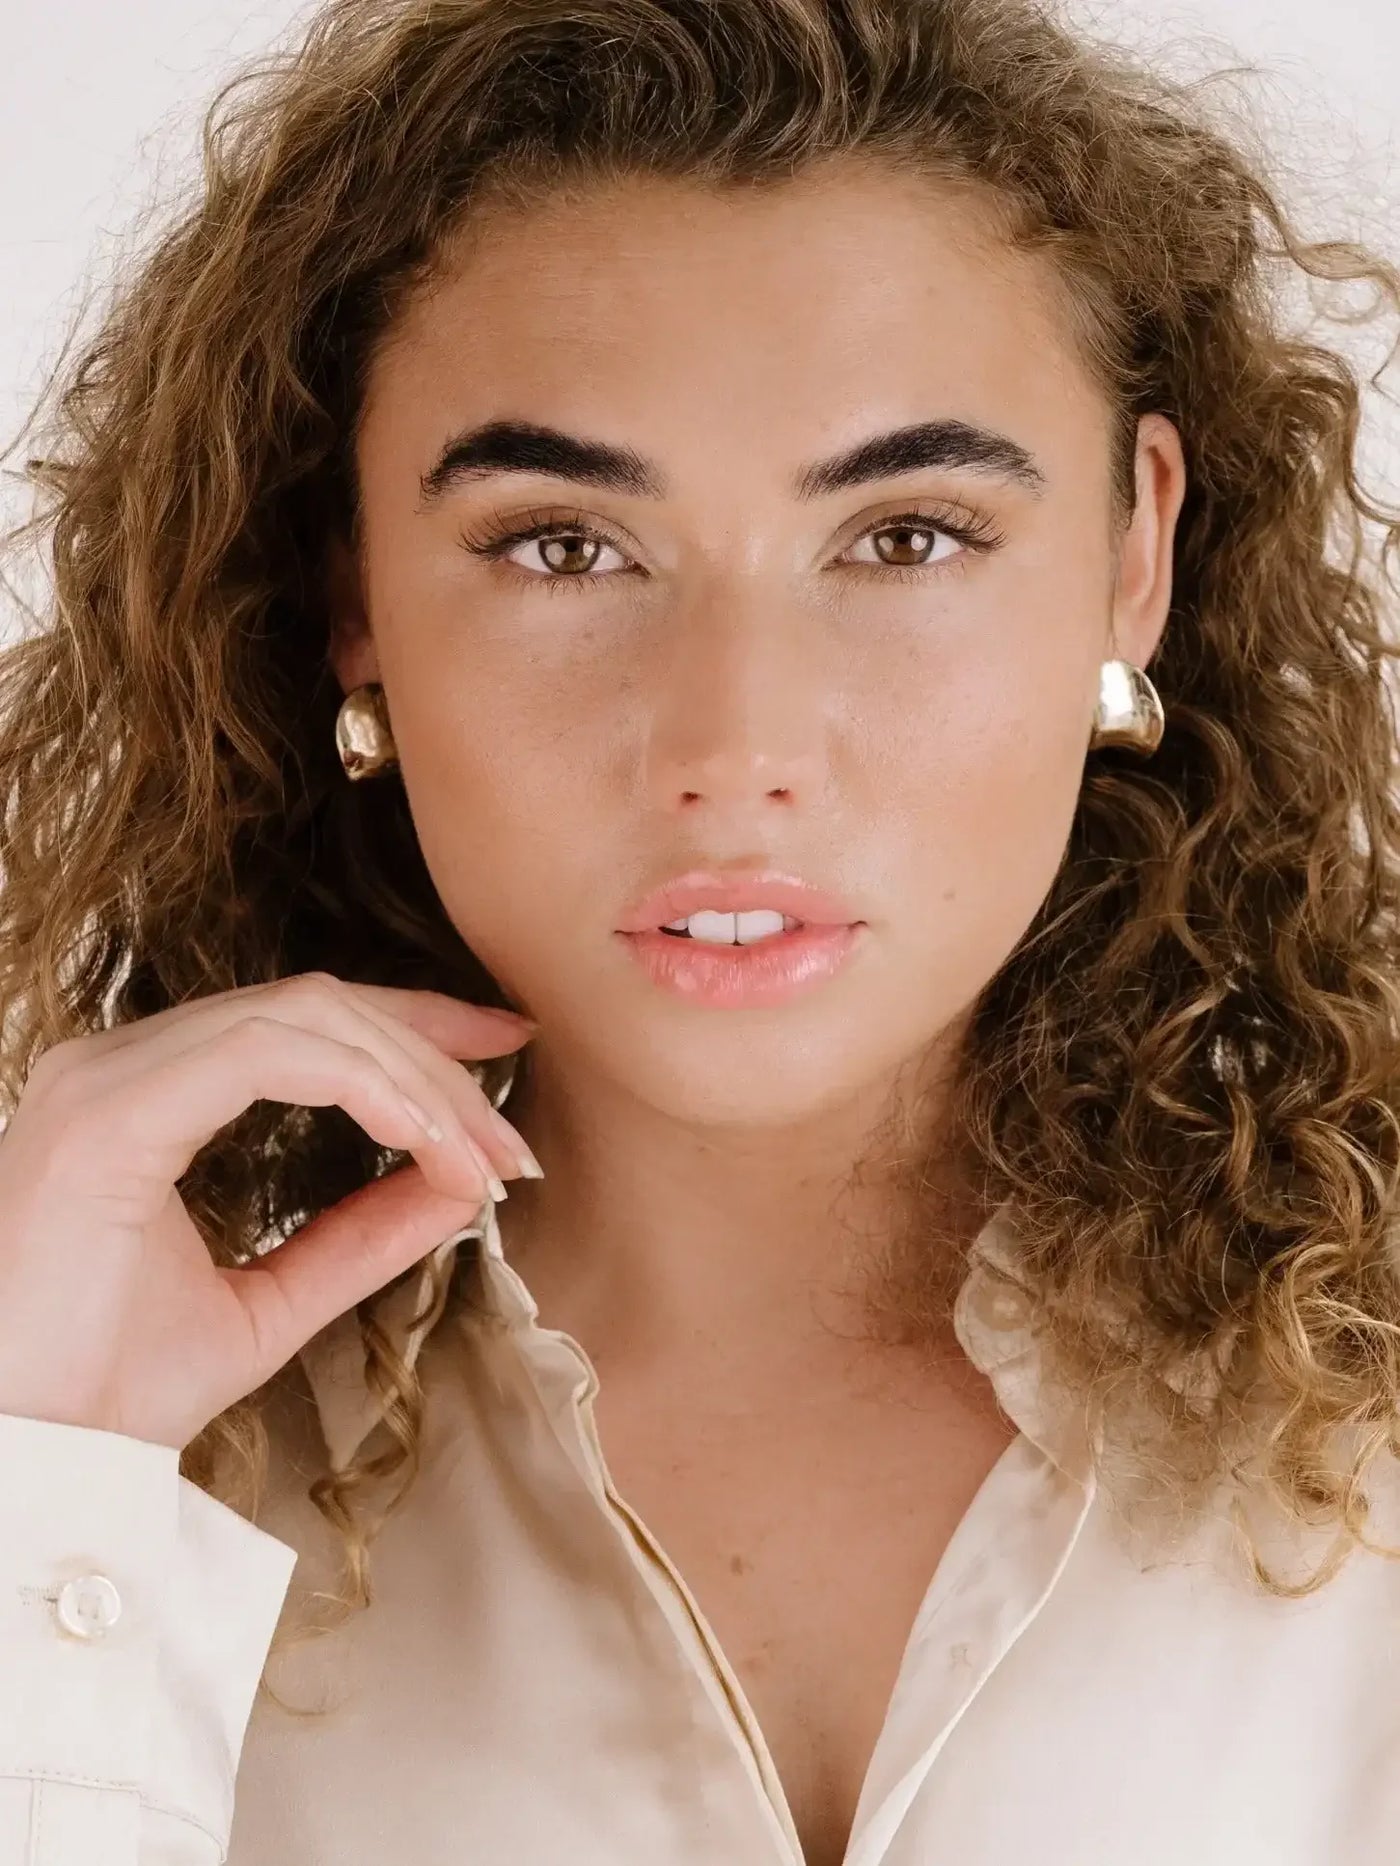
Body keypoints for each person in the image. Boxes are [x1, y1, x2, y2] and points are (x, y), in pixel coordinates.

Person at [1, 0, 1399, 1859]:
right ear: (354, 592)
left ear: (1134, 553)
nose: (736, 749)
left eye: (906, 537)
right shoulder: (112, 1484)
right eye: (564, 545)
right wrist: (48, 1490)